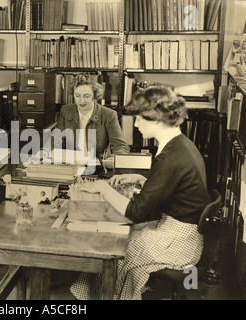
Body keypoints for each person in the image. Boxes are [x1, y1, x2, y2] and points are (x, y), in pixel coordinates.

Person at [70, 85, 211, 300]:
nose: (135, 125)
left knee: (115, 247)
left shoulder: (171, 156)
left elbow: (135, 211)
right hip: (180, 230)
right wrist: (143, 180)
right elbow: (175, 189)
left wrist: (103, 187)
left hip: (179, 242)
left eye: (139, 119)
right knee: (122, 234)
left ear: (157, 119)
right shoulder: (180, 144)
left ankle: (105, 297)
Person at [45, 74, 129, 160]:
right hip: (71, 164)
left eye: (87, 96)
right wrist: (45, 151)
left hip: (96, 164)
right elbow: (55, 140)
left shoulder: (108, 115)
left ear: (95, 96)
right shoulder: (66, 111)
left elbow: (120, 146)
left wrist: (116, 159)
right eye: (77, 96)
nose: (81, 100)